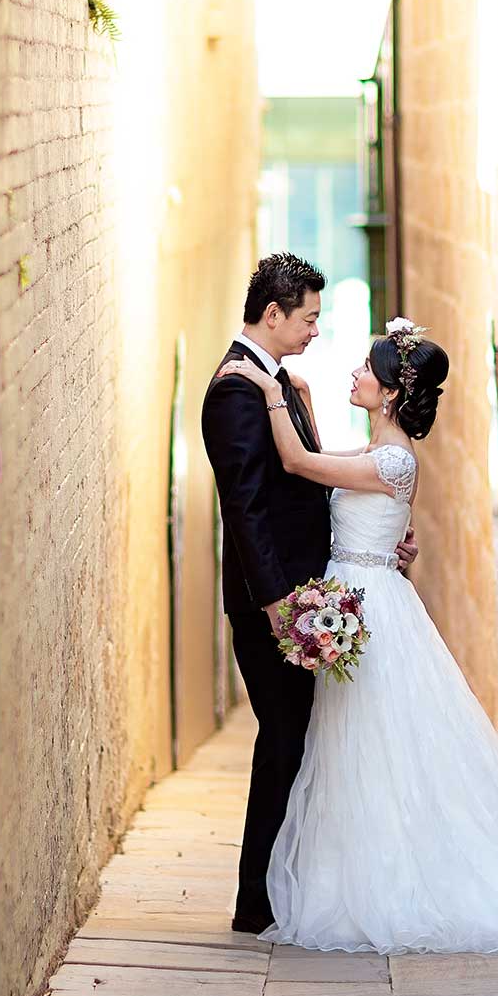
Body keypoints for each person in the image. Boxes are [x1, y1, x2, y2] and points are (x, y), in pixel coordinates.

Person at [214, 317, 498, 954]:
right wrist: (300, 396)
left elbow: (298, 463)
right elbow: (331, 473)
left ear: (390, 392)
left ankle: (389, 880)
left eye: (366, 370)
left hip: (369, 607)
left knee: (373, 747)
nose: (356, 374)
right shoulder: (378, 453)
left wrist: (270, 387)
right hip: (361, 592)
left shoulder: (392, 459)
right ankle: (347, 872)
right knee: (349, 750)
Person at [200, 253, 417, 935]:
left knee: (299, 739)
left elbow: (307, 478)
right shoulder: (237, 390)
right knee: (284, 738)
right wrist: (275, 605)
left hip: (309, 593)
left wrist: (379, 540)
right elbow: (246, 507)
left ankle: (279, 890)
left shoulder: (278, 380)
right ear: (274, 314)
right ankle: (255, 900)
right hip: (274, 604)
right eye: (309, 318)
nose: (315, 331)